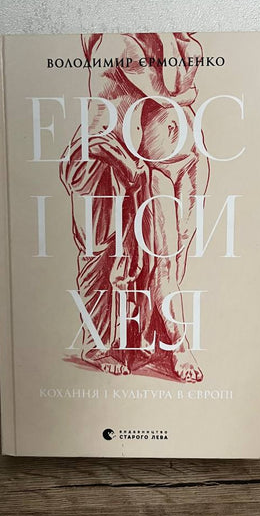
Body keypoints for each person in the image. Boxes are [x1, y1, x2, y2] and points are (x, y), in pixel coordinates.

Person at [60, 33, 210, 382]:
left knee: (173, 254)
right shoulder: (118, 44)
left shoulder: (174, 42)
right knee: (118, 256)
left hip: (174, 159)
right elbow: (168, 91)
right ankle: (162, 346)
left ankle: (155, 339)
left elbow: (177, 87)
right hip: (114, 157)